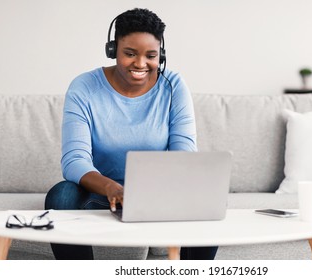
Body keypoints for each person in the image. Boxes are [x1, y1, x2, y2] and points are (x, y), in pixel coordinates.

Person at [44, 8, 218, 260]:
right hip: (101, 192)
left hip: (158, 192)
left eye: (151, 55)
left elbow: (185, 155)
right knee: (61, 195)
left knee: (204, 195)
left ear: (161, 55)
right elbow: (74, 161)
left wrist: (149, 192)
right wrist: (113, 188)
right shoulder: (84, 87)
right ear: (113, 51)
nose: (140, 64)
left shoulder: (174, 86)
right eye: (130, 54)